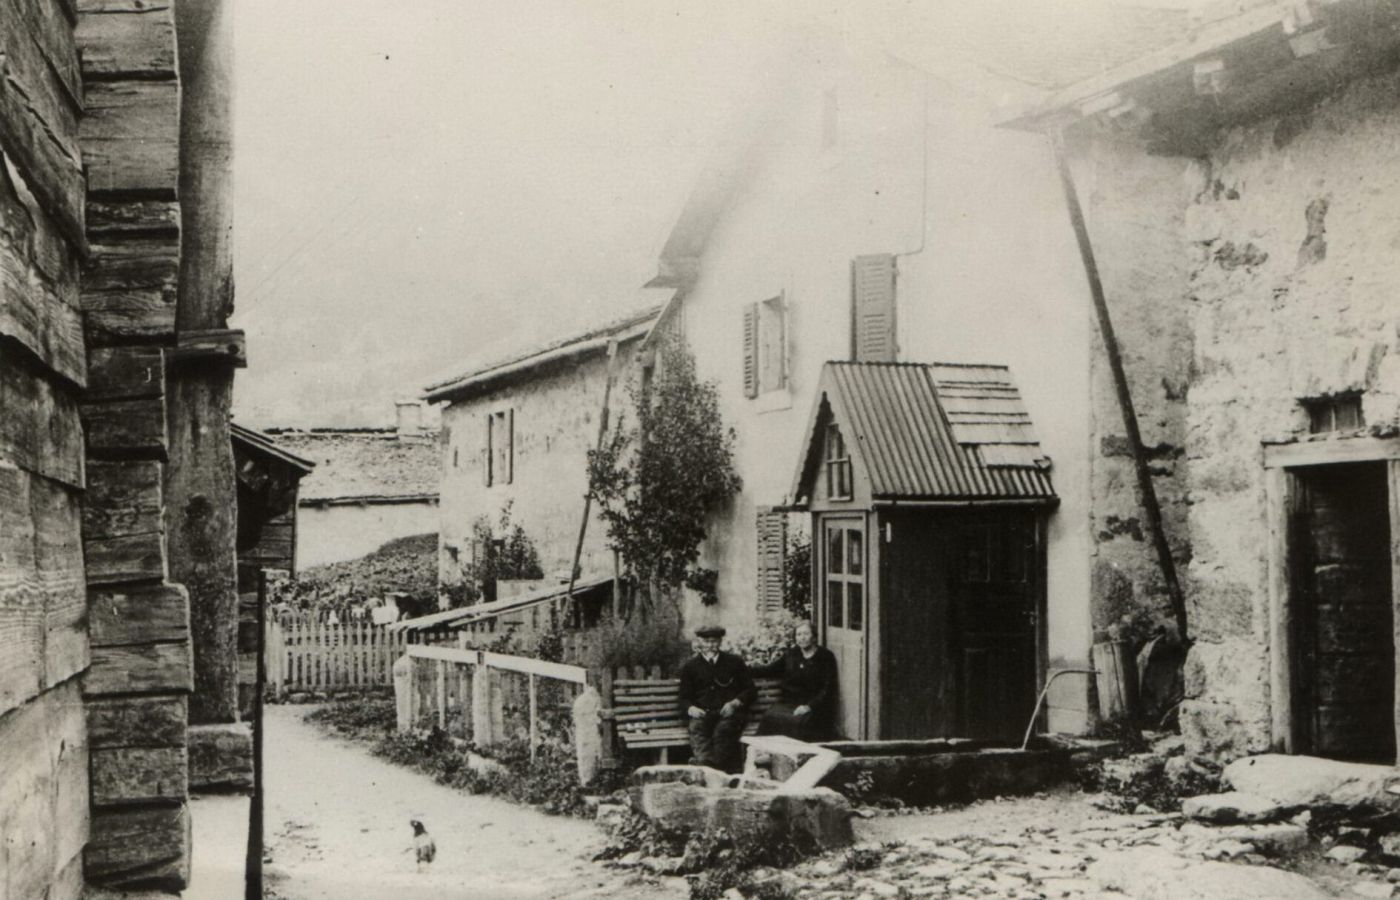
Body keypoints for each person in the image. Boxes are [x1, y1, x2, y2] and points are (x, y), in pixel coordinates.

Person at [677, 624, 756, 772]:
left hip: (728, 714)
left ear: (720, 642)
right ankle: (707, 769)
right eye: (706, 642)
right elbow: (684, 697)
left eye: (714, 641)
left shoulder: (734, 662)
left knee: (722, 732)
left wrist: (735, 703)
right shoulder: (691, 666)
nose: (710, 645)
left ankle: (712, 770)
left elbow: (750, 690)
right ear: (699, 642)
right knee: (697, 730)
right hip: (703, 714)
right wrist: (691, 708)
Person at [753, 620, 838, 742]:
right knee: (769, 716)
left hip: (814, 707)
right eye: (799, 634)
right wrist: (742, 669)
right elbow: (770, 670)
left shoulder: (825, 657)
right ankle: (764, 750)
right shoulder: (792, 654)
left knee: (798, 722)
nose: (802, 638)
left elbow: (828, 688)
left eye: (806, 634)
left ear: (814, 636)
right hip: (789, 704)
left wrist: (809, 706)